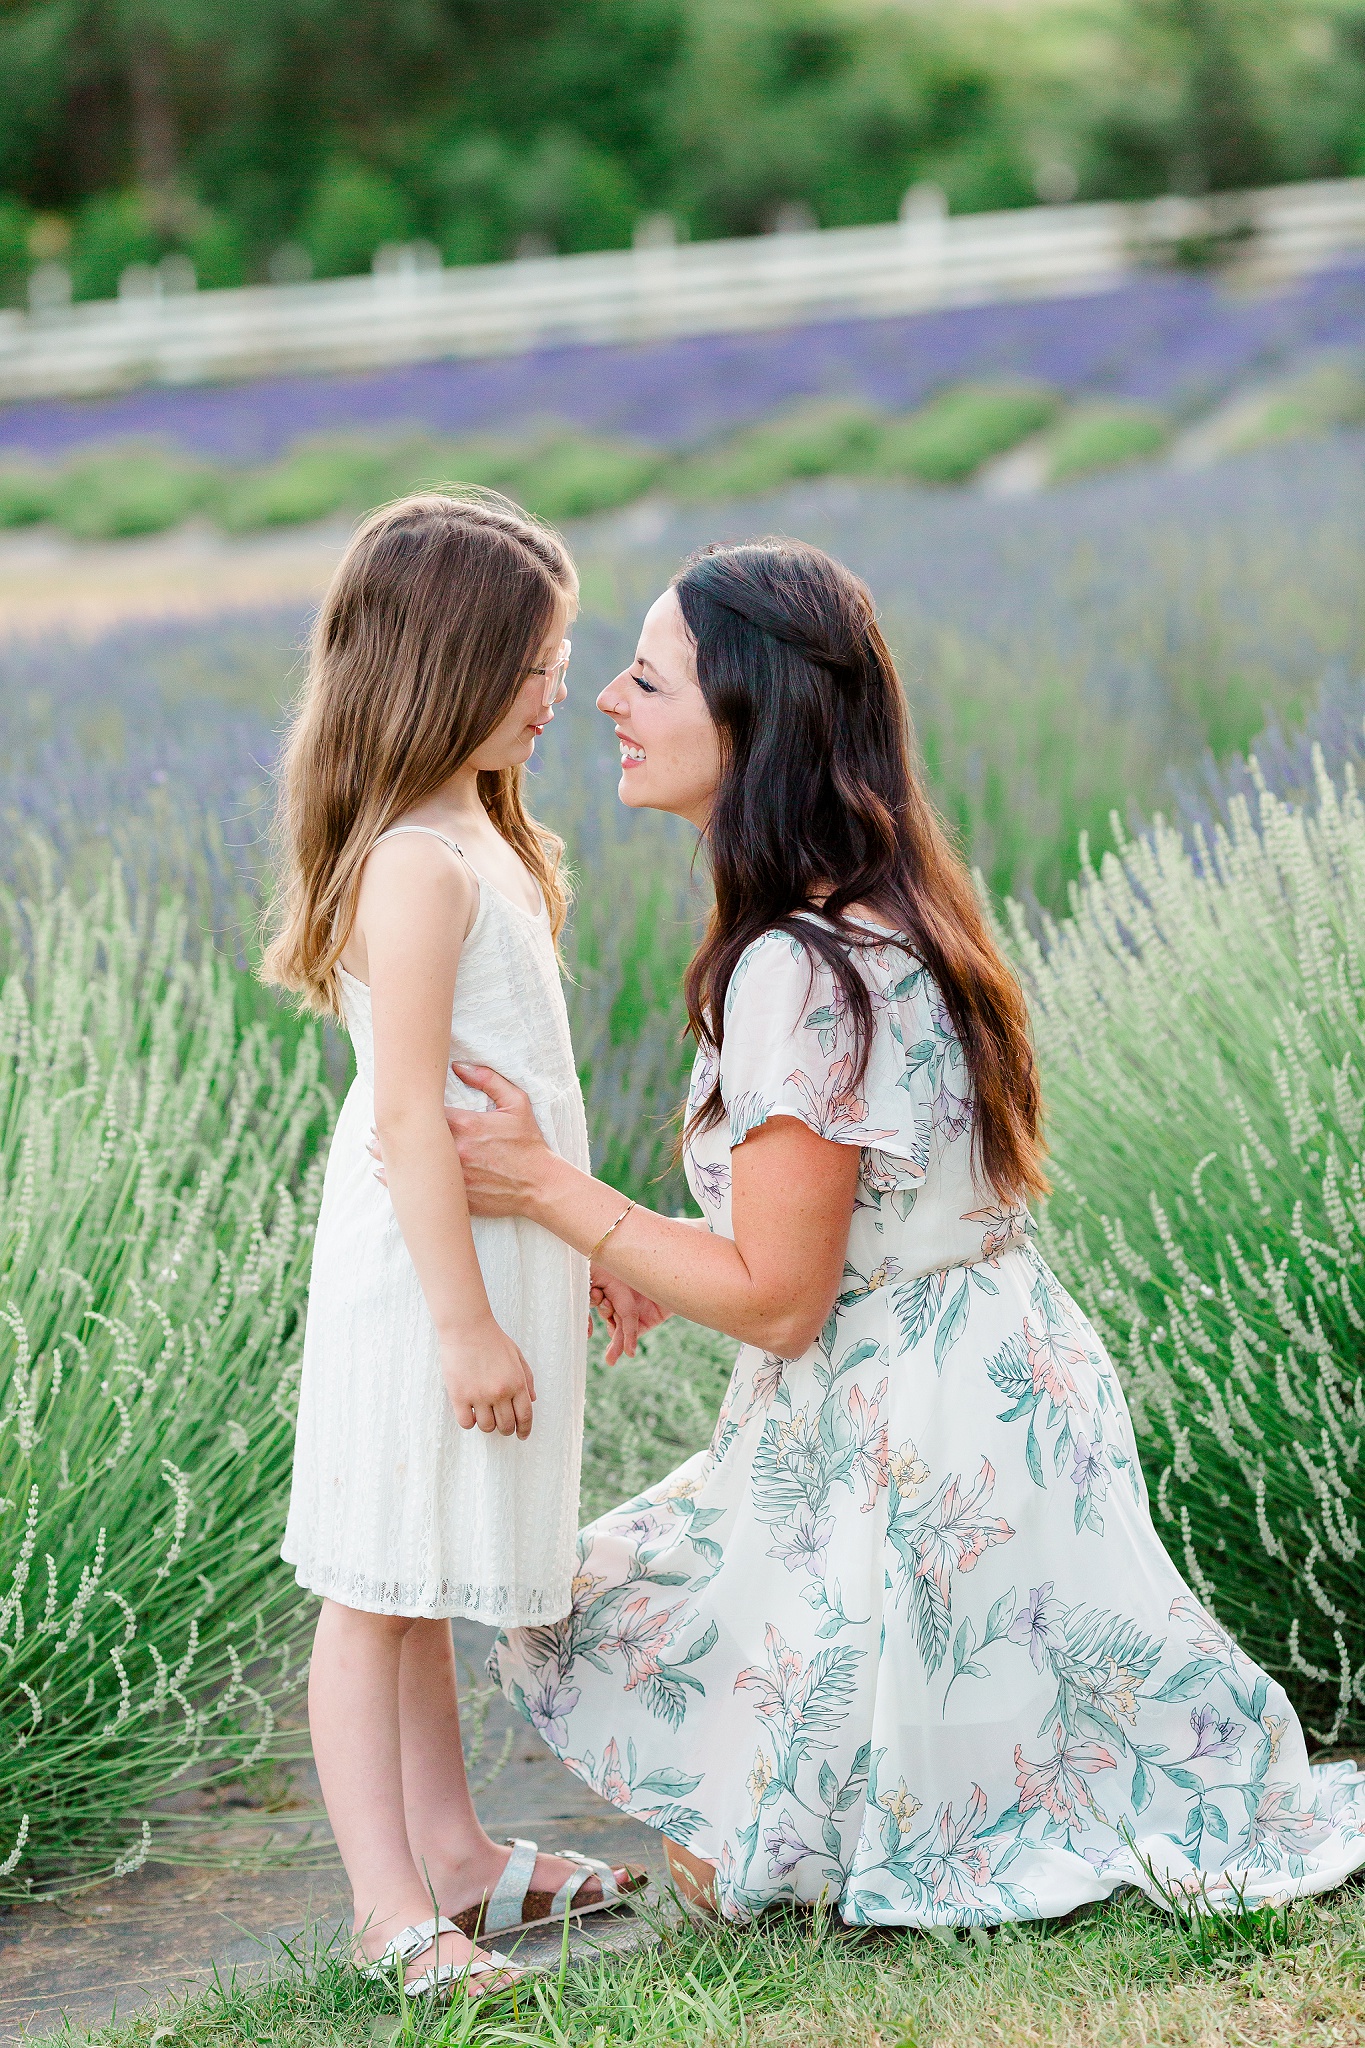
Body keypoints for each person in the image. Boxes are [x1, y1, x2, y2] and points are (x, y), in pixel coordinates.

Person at [439, 537, 1365, 1926]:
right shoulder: (885, 904)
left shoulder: (795, 966)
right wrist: (621, 1252)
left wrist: (542, 1189)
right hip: (989, 1396)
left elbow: (775, 1300)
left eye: (646, 678)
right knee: (680, 1680)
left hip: (907, 1443)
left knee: (594, 1641)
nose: (608, 705)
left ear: (750, 716)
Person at [264, 493, 651, 2001]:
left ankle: (466, 1860)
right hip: (421, 1277)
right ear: (447, 668)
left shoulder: (479, 839)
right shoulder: (415, 866)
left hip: (485, 1252)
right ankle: (385, 1908)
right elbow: (412, 1122)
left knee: (417, 1573)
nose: (563, 692)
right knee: (371, 1586)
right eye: (539, 664)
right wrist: (465, 1325)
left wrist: (595, 1233)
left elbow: (522, 1087)